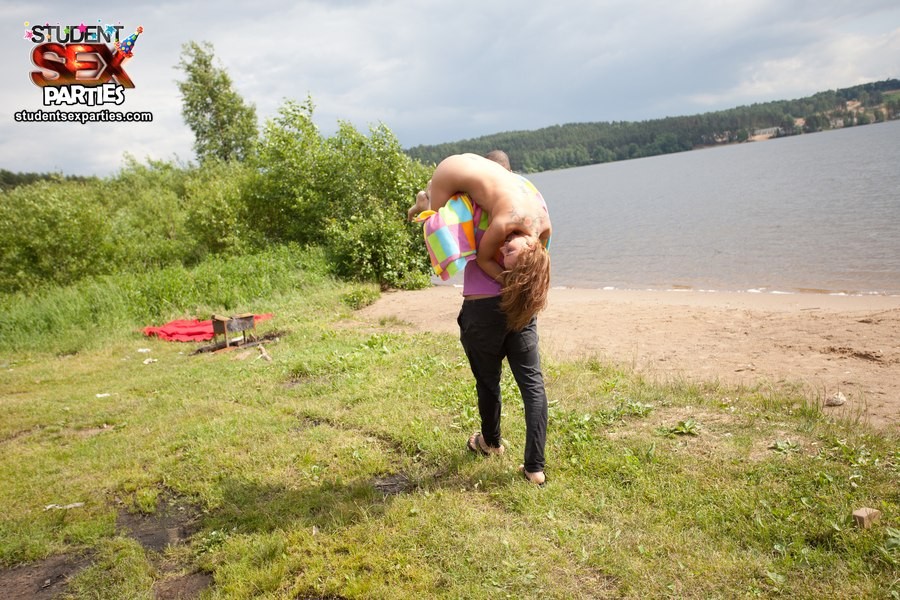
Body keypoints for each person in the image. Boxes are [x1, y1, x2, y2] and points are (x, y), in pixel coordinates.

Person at [408, 152, 551, 485]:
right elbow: (507, 258)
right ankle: (422, 201)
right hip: (515, 307)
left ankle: (497, 446)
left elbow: (495, 256)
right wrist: (515, 282)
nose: (504, 250)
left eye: (509, 252)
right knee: (530, 383)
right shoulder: (507, 207)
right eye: (509, 251)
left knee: (433, 220)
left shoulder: (471, 206)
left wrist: (519, 279)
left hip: (482, 310)